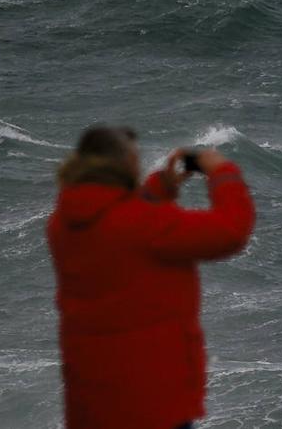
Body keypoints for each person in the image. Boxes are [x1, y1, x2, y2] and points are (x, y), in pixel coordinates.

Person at [47, 125, 255, 429]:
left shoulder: (62, 224)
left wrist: (160, 187)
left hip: (91, 402)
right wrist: (222, 172)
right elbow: (231, 231)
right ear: (125, 164)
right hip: (151, 404)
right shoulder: (145, 226)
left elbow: (116, 218)